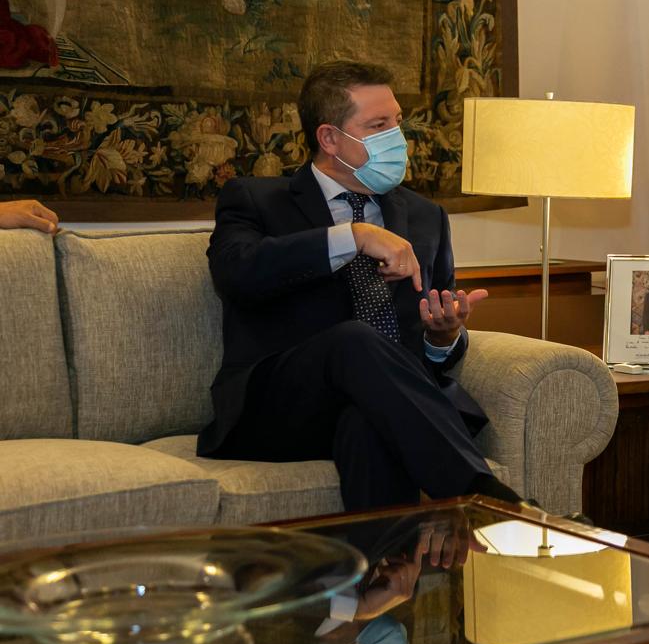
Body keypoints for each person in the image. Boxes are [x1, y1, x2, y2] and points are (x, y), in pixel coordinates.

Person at [200, 60, 522, 511]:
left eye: (397, 122)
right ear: (330, 138)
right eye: (378, 125)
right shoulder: (255, 199)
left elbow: (436, 335)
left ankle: (383, 577)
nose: (398, 138)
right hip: (283, 406)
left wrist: (442, 337)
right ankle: (487, 500)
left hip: (382, 403)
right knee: (353, 340)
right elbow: (236, 274)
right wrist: (354, 236)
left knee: (369, 422)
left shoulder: (426, 217)